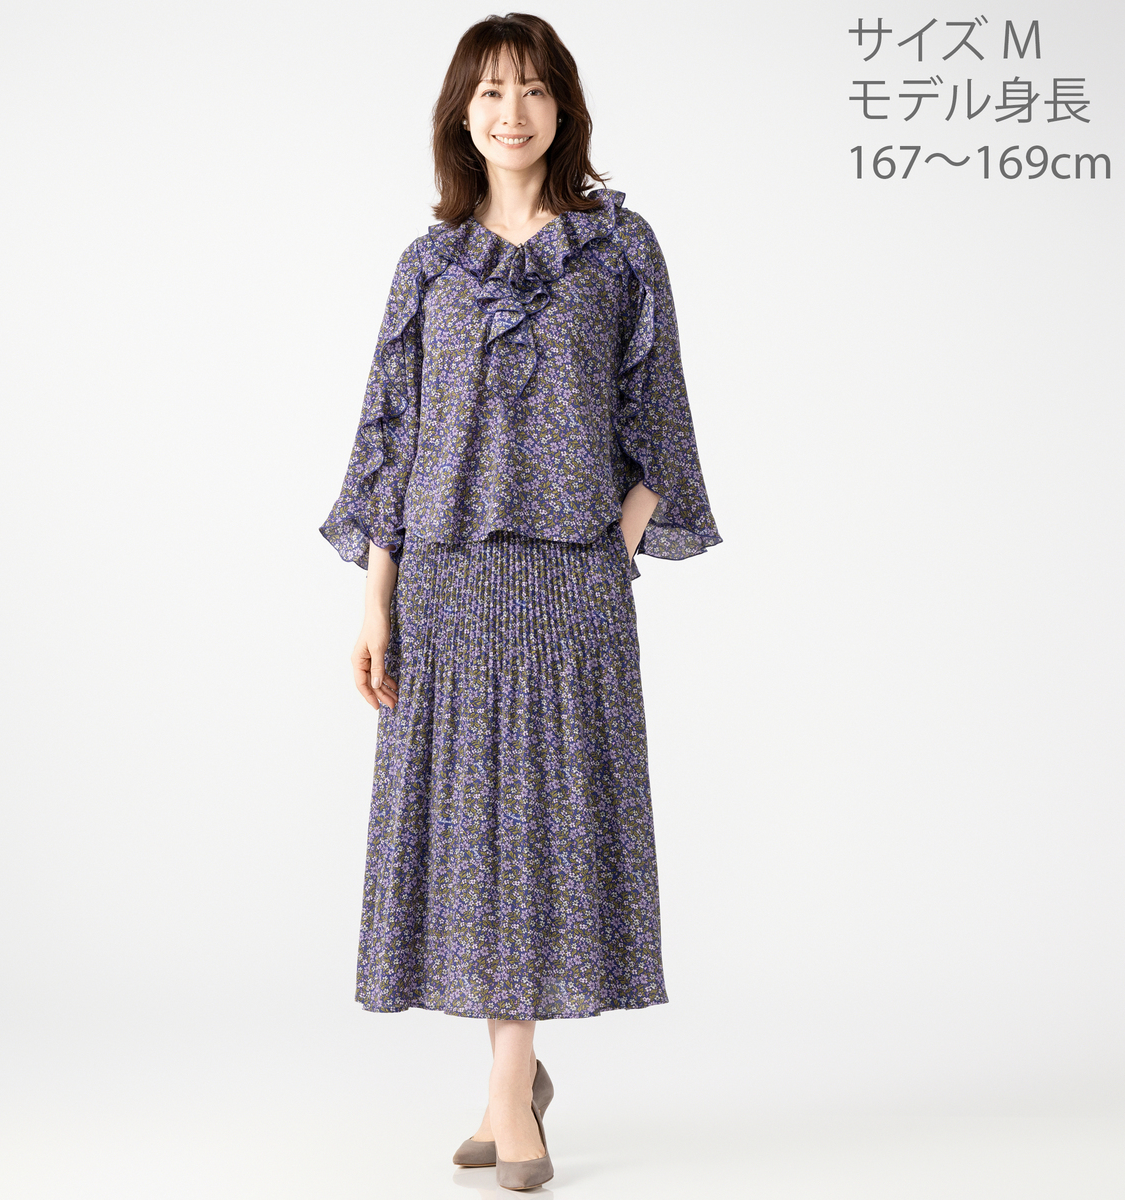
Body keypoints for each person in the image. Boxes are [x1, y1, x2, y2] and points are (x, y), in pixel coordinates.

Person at [319, 12, 721, 1190]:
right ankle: (513, 1083)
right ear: (462, 111)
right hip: (445, 586)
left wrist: (610, 547)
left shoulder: (620, 249)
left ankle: (508, 1095)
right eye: (491, 91)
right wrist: (377, 603)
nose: (512, 111)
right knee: (469, 843)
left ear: (564, 108)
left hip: (567, 583)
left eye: (535, 89)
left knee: (544, 835)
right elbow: (390, 442)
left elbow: (663, 422)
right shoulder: (428, 264)